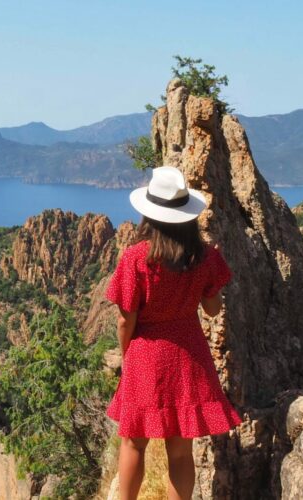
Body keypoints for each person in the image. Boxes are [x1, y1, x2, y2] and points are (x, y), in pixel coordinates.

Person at [104, 165, 242, 500]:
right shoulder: (205, 256)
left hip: (146, 354)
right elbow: (212, 309)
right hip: (188, 354)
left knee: (133, 443)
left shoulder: (137, 258)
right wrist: (211, 276)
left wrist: (127, 356)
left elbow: (125, 320)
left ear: (149, 215)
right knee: (180, 452)